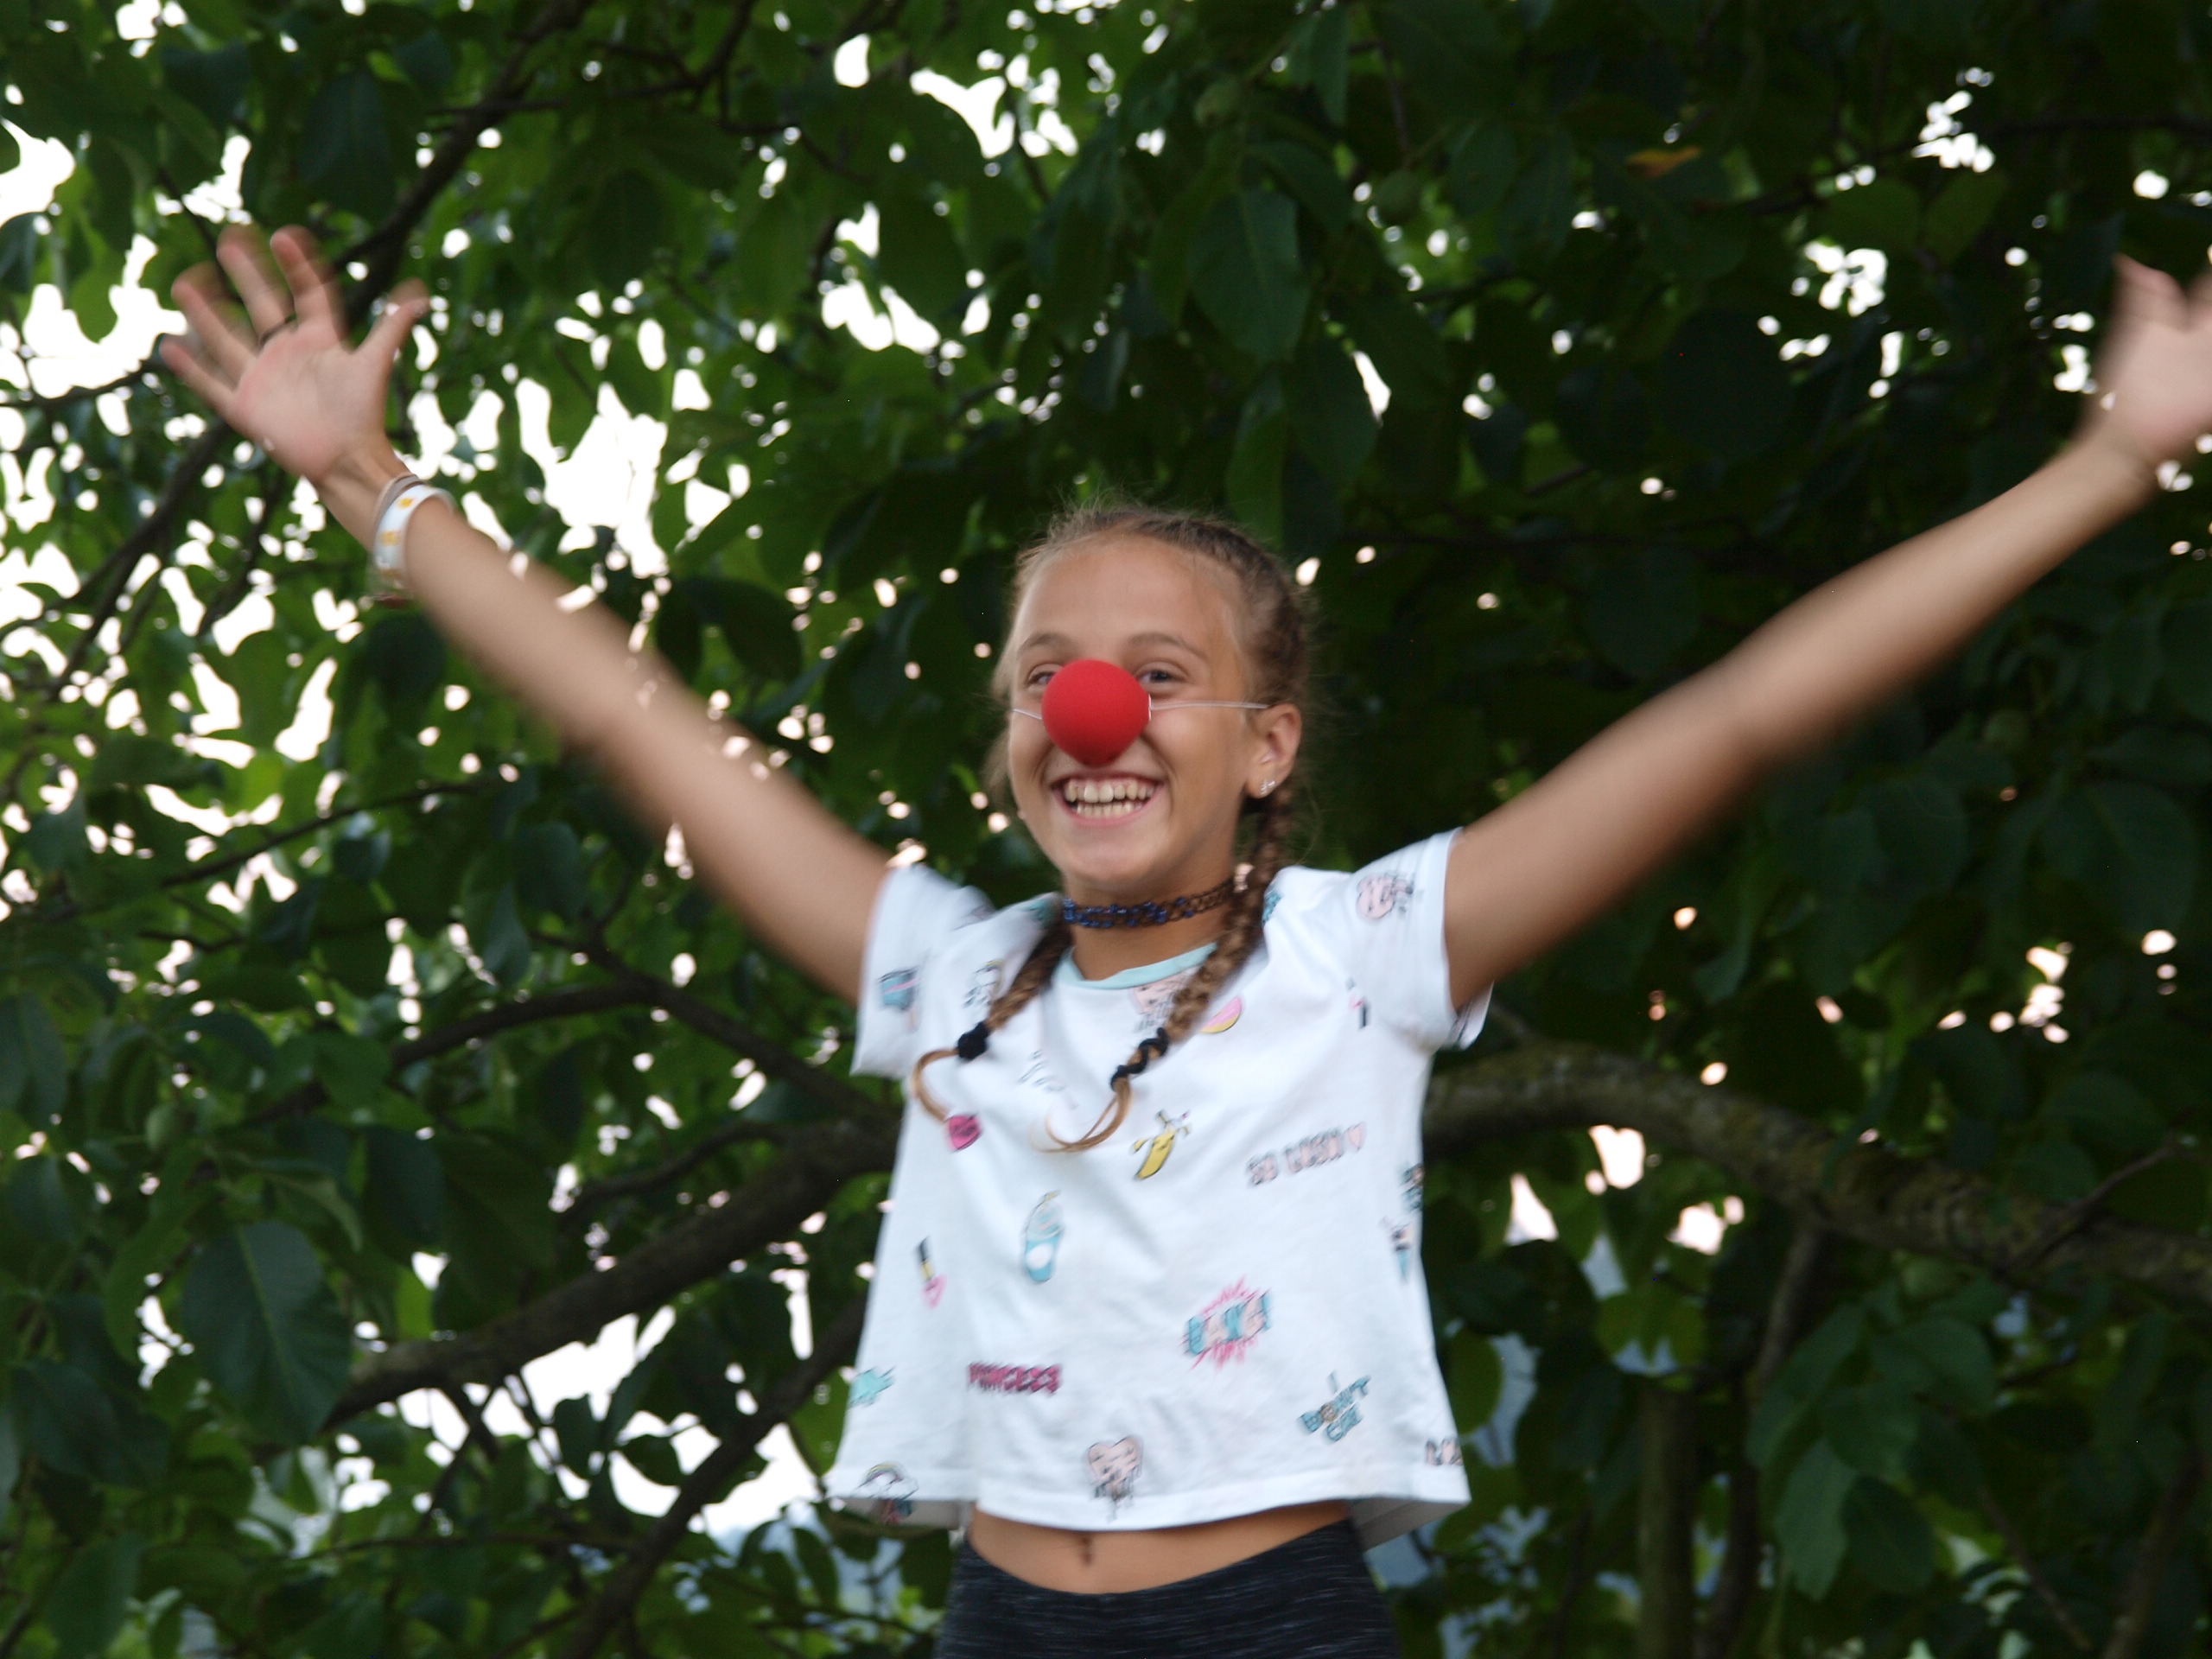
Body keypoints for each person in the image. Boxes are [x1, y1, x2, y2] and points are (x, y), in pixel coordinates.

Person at [162, 226, 2212, 1658]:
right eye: (1046, 674)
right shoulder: (944, 975)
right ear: (1008, 744)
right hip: (997, 1619)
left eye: (1159, 673)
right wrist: (367, 480)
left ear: (1268, 745)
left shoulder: (1365, 948)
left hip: (1271, 1627)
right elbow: (638, 723)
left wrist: (2106, 463)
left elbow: (1739, 713)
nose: (1092, 710)